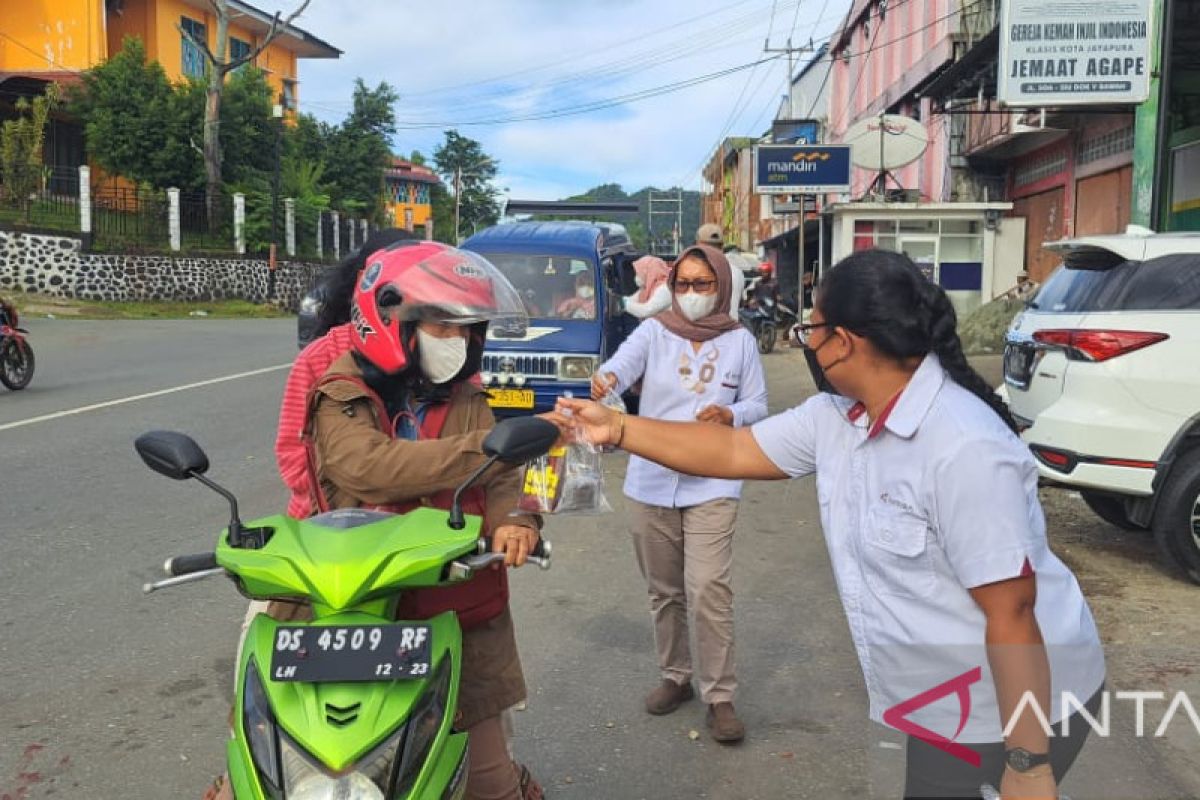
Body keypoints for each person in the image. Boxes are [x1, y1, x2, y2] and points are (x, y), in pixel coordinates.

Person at [558, 249, 1106, 798]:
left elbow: (1012, 611)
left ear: (845, 341)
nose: (808, 345)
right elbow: (732, 450)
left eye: (810, 331)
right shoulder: (837, 417)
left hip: (1011, 712)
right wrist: (619, 430)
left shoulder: (963, 445)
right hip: (932, 702)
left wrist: (1029, 762)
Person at [310, 241, 544, 800]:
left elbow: (504, 480)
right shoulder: (341, 390)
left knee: (489, 778)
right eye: (442, 326)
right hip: (357, 601)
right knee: (292, 751)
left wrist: (516, 519)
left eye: (466, 329)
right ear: (389, 320)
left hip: (454, 602)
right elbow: (368, 469)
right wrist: (485, 449)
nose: (456, 342)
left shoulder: (467, 395)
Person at [591, 244, 768, 744]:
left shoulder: (740, 342)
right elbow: (621, 369)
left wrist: (732, 415)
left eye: (701, 285)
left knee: (709, 587)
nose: (690, 294)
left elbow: (758, 402)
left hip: (713, 479)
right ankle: (675, 677)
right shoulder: (654, 331)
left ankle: (720, 695)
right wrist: (605, 381)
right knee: (664, 590)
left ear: (722, 288)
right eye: (683, 284)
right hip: (650, 479)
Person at [276, 228, 419, 519]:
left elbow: (476, 448)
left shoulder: (442, 356)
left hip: (419, 529)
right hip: (330, 526)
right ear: (362, 284)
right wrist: (358, 500)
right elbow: (293, 457)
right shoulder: (320, 358)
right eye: (390, 288)